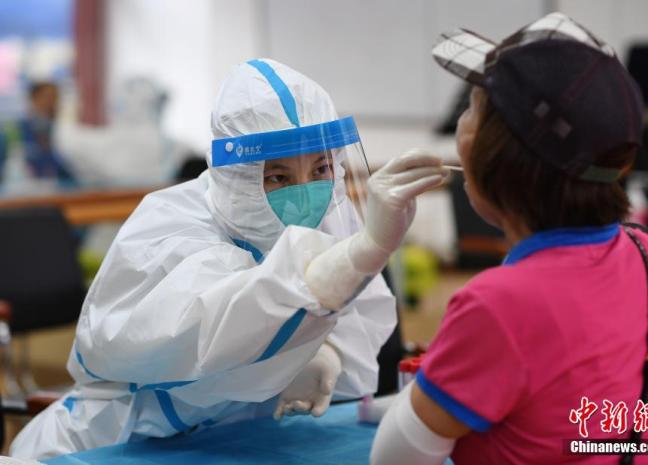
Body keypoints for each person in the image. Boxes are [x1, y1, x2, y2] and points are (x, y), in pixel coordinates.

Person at [10, 59, 448, 459]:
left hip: (240, 442)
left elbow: (362, 316)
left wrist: (330, 350)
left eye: (320, 169)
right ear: (235, 174)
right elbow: (215, 318)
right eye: (278, 176)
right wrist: (365, 251)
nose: (309, 191)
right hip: (117, 443)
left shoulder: (330, 211)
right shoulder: (171, 223)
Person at [371, 13, 648, 465]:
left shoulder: (498, 305)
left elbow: (394, 458)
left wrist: (372, 247)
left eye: (472, 106)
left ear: (496, 155)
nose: (460, 127)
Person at [18, 81, 74, 182]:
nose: (52, 101)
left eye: (55, 97)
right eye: (47, 97)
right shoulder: (20, 129)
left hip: (64, 186)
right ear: (33, 98)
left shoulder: (66, 129)